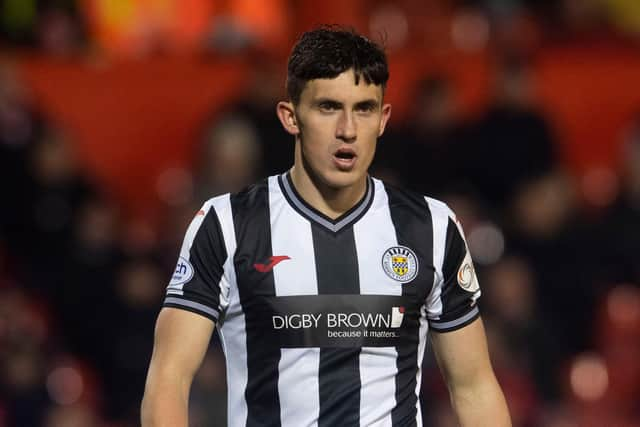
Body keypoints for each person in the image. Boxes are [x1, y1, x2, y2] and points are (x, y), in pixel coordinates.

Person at [141, 27, 511, 427]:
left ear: (383, 119)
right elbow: (169, 379)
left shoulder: (432, 228)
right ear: (291, 116)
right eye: (329, 107)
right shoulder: (227, 225)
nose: (348, 130)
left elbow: (474, 387)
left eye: (364, 108)